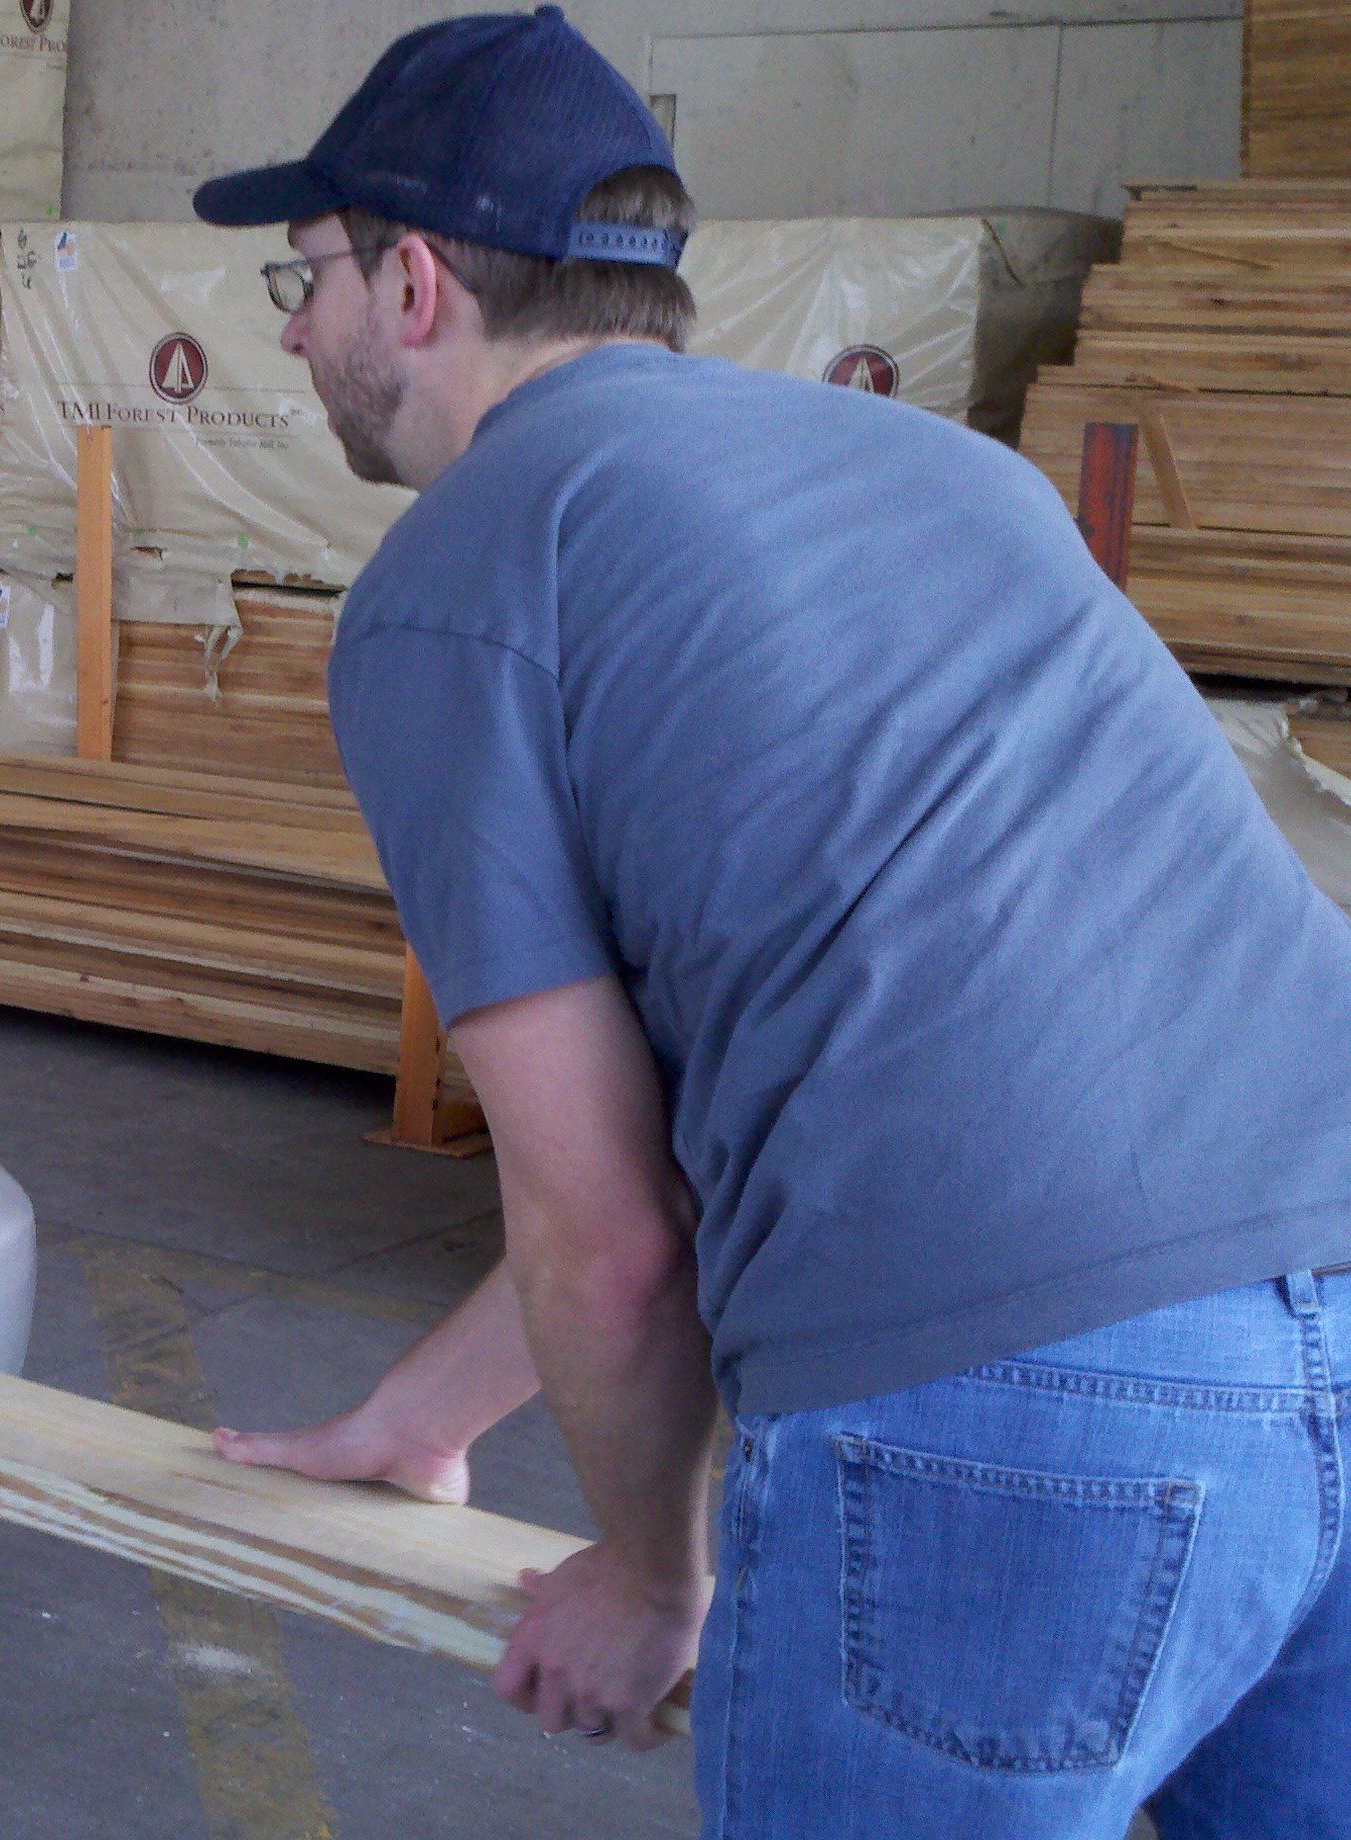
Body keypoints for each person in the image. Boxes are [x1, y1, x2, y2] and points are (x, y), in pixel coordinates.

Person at [187, 9, 1351, 1833]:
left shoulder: (467, 574)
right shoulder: (947, 473)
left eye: (305, 273)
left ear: (414, 285)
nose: (287, 325)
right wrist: (433, 1411)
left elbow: (605, 1235)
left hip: (1016, 1412)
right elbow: (782, 1066)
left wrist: (653, 1573)